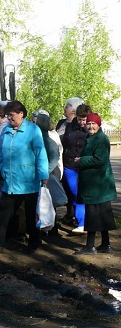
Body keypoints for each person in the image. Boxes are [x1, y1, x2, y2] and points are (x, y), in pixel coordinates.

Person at [0, 100, 49, 254]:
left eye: (11, 115)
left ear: (21, 114)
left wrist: (43, 174)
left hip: (28, 179)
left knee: (30, 215)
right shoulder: (6, 131)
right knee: (4, 214)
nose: (9, 118)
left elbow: (40, 153)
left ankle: (33, 243)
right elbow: (2, 153)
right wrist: (1, 168)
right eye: (7, 116)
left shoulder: (33, 130)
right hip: (10, 180)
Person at [74, 113, 117, 255]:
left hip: (97, 184)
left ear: (99, 125)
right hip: (97, 184)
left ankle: (90, 246)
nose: (91, 126)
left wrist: (81, 160)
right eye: (89, 123)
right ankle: (105, 244)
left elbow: (99, 160)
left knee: (93, 214)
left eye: (94, 123)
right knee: (102, 214)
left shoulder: (101, 139)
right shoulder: (92, 137)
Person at [61, 104, 92, 233]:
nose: (82, 122)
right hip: (69, 166)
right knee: (75, 193)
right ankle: (81, 221)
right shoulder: (70, 127)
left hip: (84, 166)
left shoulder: (91, 129)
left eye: (84, 120)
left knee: (81, 194)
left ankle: (82, 221)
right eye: (80, 119)